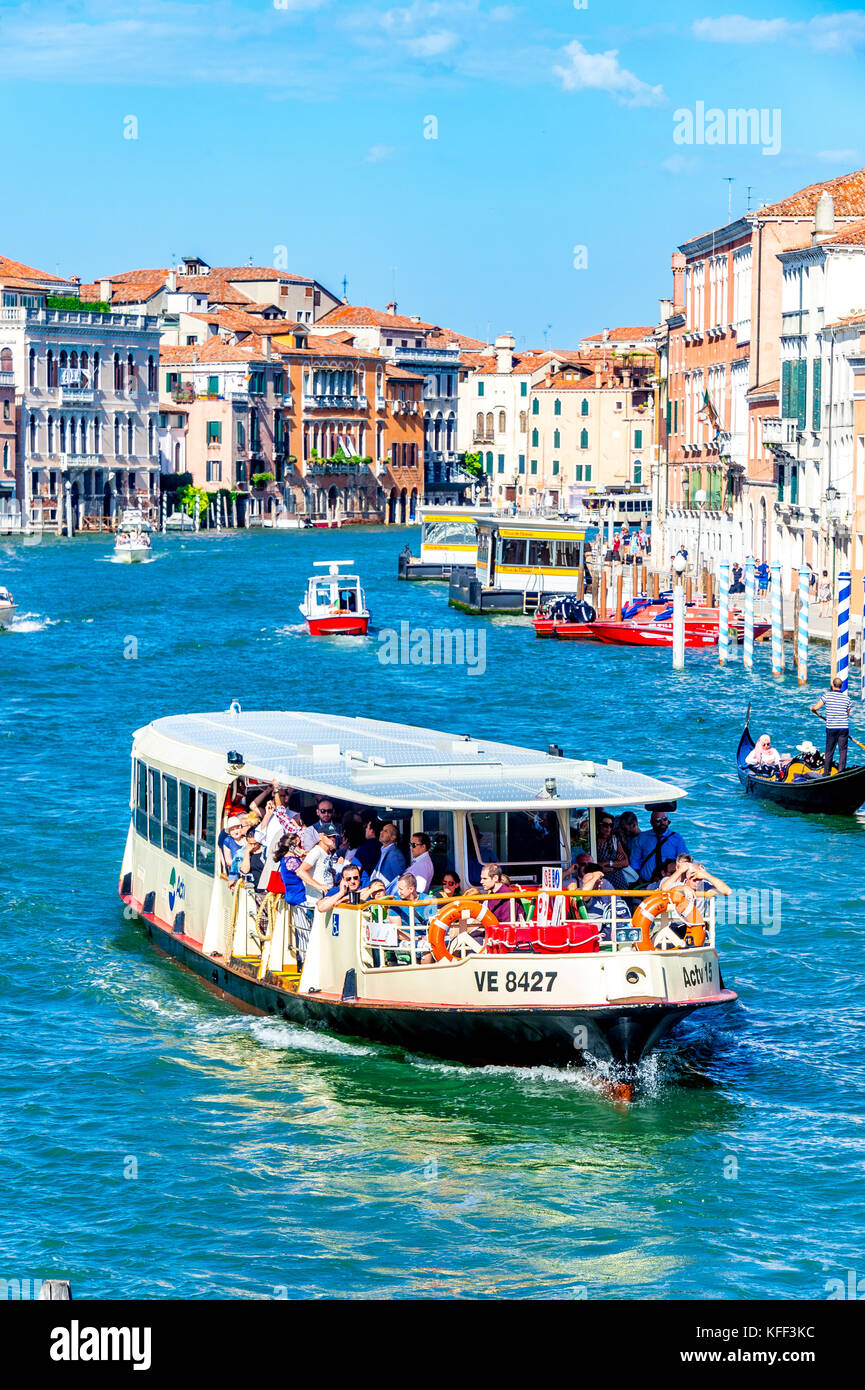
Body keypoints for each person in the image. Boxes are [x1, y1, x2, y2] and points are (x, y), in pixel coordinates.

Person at [629, 809, 689, 886]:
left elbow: (684, 862)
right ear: (651, 822)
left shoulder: (677, 838)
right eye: (658, 820)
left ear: (668, 821)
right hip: (645, 882)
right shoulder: (641, 838)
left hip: (670, 883)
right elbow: (634, 862)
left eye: (664, 819)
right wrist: (639, 881)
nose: (662, 822)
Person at [811, 675, 853, 775]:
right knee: (843, 751)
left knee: (829, 751)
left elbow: (816, 707)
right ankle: (841, 772)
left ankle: (826, 773)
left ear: (832, 685)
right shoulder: (847, 699)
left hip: (832, 727)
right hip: (843, 727)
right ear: (841, 686)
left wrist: (812, 709)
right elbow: (847, 714)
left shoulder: (827, 696)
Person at [297, 825, 340, 900]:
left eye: (334, 836)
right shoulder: (316, 851)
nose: (332, 839)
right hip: (315, 900)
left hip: (326, 897)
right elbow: (300, 871)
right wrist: (319, 886)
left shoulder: (328, 853)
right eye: (329, 836)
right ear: (320, 836)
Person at [595, 812, 631, 889]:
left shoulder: (614, 840)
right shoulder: (592, 842)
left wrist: (607, 863)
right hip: (602, 884)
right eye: (605, 825)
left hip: (620, 882)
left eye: (611, 826)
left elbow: (625, 862)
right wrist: (600, 867)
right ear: (598, 826)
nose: (608, 829)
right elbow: (588, 863)